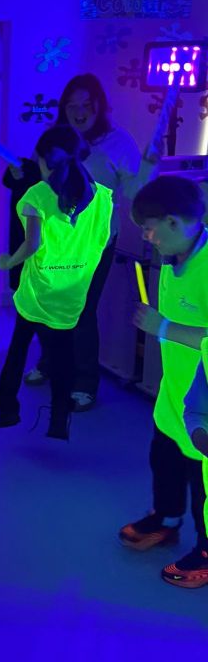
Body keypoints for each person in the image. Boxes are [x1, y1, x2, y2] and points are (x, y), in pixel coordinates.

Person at [10, 74, 158, 410]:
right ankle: (49, 362)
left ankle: (84, 382)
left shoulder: (118, 142)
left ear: (99, 107)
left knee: (81, 310)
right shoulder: (54, 138)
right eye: (72, 105)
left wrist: (150, 165)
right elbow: (39, 183)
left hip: (94, 245)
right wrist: (22, 175)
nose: (79, 112)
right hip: (53, 241)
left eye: (86, 105)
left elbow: (135, 192)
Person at [0, 125, 113, 440]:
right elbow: (101, 242)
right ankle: (59, 421)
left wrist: (7, 262)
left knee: (19, 348)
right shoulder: (102, 197)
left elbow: (31, 244)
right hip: (72, 294)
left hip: (37, 294)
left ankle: (7, 408)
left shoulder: (38, 194)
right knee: (63, 356)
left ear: (47, 160)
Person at [120, 176, 208, 589]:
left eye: (149, 228)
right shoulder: (174, 257)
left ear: (174, 222)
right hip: (174, 392)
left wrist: (164, 327)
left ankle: (207, 552)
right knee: (166, 456)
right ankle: (167, 520)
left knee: (203, 481)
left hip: (203, 403)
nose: (146, 237)